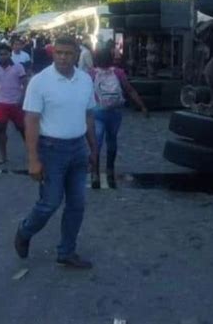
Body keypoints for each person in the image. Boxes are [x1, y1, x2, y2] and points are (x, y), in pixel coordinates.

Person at [14, 36, 97, 269]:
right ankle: (25, 230)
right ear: (53, 53)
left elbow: (89, 114)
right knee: (49, 203)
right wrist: (33, 159)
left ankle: (66, 251)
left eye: (67, 53)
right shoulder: (40, 82)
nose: (62, 57)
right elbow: (31, 120)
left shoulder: (84, 80)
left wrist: (93, 148)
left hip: (78, 148)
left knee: (77, 204)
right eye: (58, 52)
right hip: (51, 150)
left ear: (77, 54)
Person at [90, 47, 148, 189]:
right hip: (115, 112)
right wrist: (142, 106)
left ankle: (95, 173)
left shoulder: (91, 73)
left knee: (95, 143)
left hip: (97, 111)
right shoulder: (118, 72)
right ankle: (110, 170)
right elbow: (129, 90)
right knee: (112, 141)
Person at [0, 43, 27, 164]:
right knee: (1, 130)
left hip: (16, 104)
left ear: (10, 54)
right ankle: (2, 156)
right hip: (2, 103)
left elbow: (25, 84)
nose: (3, 56)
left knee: (23, 130)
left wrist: (23, 99)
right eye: (0, 54)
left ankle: (31, 154)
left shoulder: (18, 67)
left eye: (5, 54)